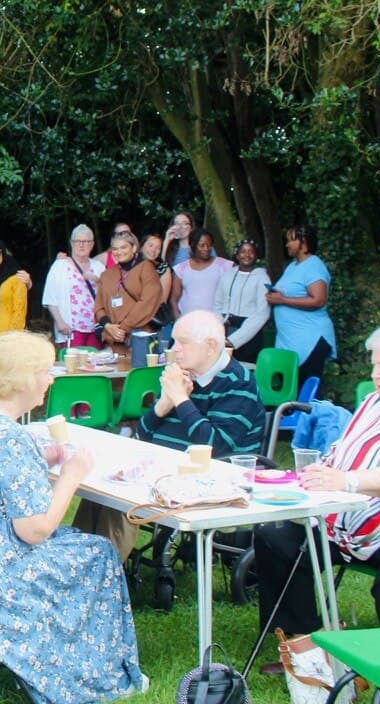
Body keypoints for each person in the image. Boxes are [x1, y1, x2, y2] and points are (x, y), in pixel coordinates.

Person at [0, 331, 143, 703]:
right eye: (45, 370)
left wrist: (43, 461)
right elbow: (35, 529)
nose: (52, 378)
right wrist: (71, 475)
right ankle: (86, 671)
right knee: (99, 554)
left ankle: (68, 654)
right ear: (22, 378)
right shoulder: (7, 435)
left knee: (84, 547)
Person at [253, 320, 380, 692]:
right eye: (374, 365)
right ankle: (304, 647)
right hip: (342, 521)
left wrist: (349, 481)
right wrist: (324, 469)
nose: (375, 374)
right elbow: (343, 451)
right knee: (275, 533)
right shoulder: (373, 403)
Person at [73, 310, 266, 558]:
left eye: (183, 342)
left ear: (211, 346)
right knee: (100, 490)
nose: (174, 350)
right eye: (173, 341)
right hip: (162, 470)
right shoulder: (181, 376)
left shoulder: (238, 384)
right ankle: (77, 565)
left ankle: (102, 578)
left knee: (121, 499)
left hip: (209, 482)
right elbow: (140, 437)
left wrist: (181, 399)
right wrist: (163, 405)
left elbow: (213, 447)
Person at [267, 224, 336, 382]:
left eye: (290, 240)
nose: (286, 245)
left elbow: (318, 300)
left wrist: (282, 300)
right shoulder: (292, 266)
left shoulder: (314, 265)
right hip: (291, 340)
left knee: (307, 394)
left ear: (302, 241)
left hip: (309, 339)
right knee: (291, 392)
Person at [93, 232, 162, 353]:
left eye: (123, 247)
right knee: (117, 370)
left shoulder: (147, 268)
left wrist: (123, 328)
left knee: (139, 370)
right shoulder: (107, 274)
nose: (119, 252)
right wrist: (108, 326)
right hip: (113, 338)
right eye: (115, 248)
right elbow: (98, 307)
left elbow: (147, 302)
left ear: (134, 248)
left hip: (140, 337)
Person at [42, 224, 102, 349]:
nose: (81, 245)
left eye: (86, 241)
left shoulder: (98, 266)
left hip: (95, 328)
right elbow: (50, 296)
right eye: (77, 241)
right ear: (71, 243)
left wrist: (95, 279)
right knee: (73, 365)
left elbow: (109, 293)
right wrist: (60, 322)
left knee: (96, 364)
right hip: (71, 328)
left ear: (92, 244)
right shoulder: (60, 266)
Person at [214, 239, 271, 363]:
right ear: (237, 254)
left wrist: (234, 340)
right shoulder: (227, 275)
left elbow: (262, 313)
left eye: (251, 251)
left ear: (256, 255)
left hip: (249, 333)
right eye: (243, 251)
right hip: (226, 329)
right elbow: (218, 304)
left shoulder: (262, 278)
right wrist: (219, 329)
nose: (247, 255)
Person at [170, 228, 233, 319]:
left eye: (209, 245)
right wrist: (178, 319)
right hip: (188, 322)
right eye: (202, 245)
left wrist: (225, 319)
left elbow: (232, 295)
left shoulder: (224, 266)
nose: (206, 248)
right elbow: (174, 299)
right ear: (192, 245)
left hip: (215, 322)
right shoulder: (181, 269)